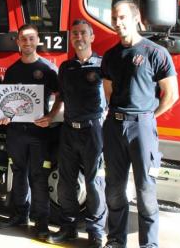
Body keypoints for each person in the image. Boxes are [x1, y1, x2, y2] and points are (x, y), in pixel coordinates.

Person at [101, 0, 179, 248]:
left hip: (142, 126)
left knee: (146, 191)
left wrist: (148, 117)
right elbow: (108, 93)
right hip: (114, 126)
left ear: (135, 18)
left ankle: (149, 244)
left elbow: (171, 94)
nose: (118, 22)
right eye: (114, 18)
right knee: (114, 189)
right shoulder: (111, 56)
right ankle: (115, 240)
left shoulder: (155, 53)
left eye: (122, 17)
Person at [0, 24, 61, 239]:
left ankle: (41, 222)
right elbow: (7, 101)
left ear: (38, 40)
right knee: (19, 174)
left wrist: (51, 116)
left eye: (31, 38)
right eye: (23, 39)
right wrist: (5, 115)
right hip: (16, 132)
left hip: (38, 133)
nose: (27, 43)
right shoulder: (13, 70)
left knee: (38, 177)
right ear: (18, 42)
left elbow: (60, 95)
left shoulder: (48, 69)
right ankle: (20, 215)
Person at [46, 20, 106, 247]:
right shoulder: (66, 67)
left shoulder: (102, 65)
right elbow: (60, 96)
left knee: (93, 183)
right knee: (66, 182)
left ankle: (96, 233)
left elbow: (111, 95)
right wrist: (52, 116)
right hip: (69, 130)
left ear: (92, 37)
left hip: (93, 131)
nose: (78, 37)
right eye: (74, 34)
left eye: (83, 33)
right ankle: (68, 227)